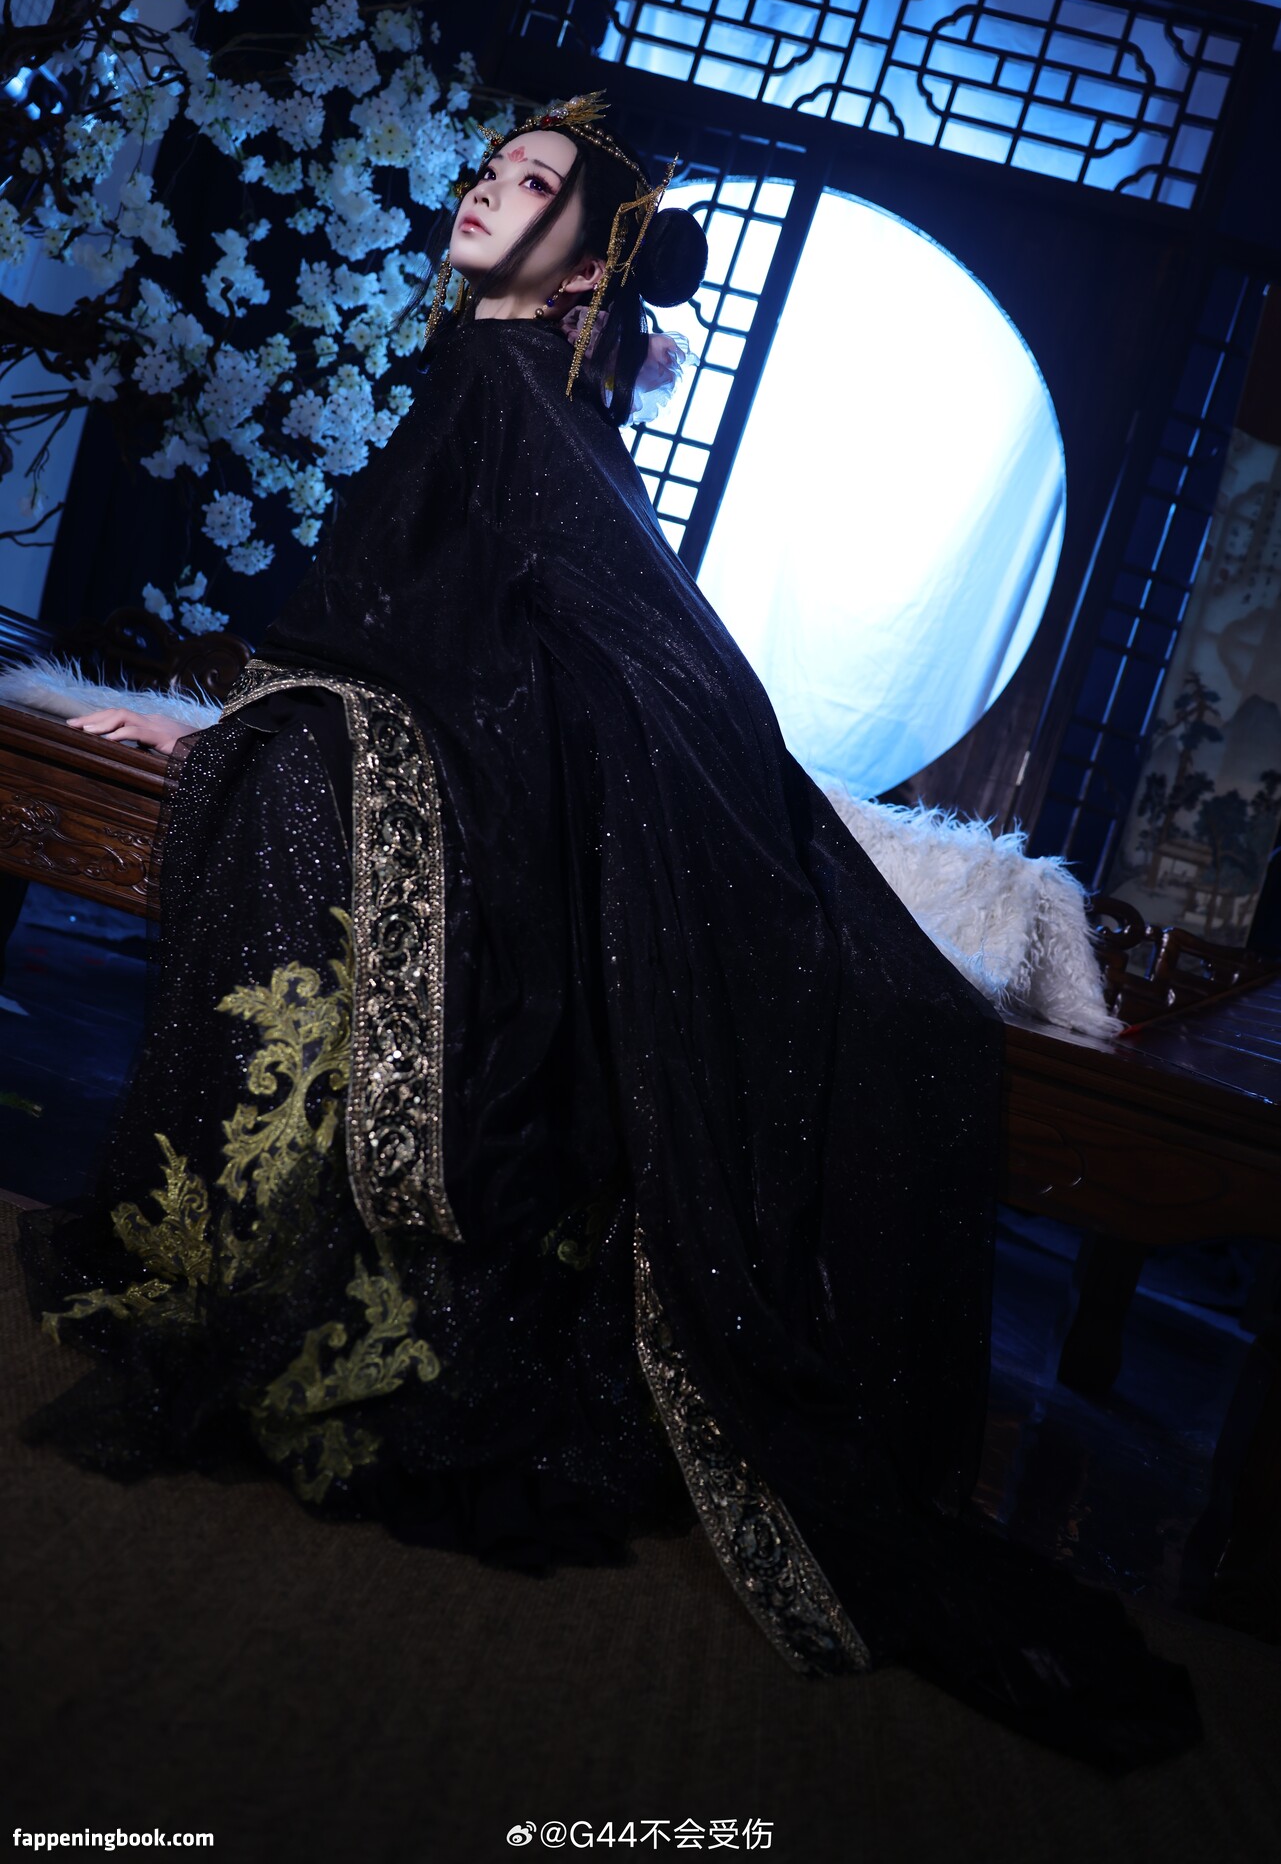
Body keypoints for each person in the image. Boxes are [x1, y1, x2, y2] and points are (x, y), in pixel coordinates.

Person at [19, 94, 1200, 1772]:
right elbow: (395, 621)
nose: (486, 193)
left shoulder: (523, 395)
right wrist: (251, 713)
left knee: (284, 779)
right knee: (278, 766)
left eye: (532, 186)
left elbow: (607, 656)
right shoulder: (486, 374)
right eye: (492, 170)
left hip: (493, 791)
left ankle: (310, 1292)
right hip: (457, 758)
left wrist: (274, 727)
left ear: (588, 266)